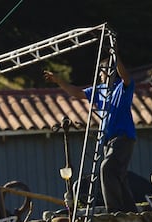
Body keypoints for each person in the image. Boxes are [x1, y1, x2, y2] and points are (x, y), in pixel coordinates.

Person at [44, 51, 138, 213]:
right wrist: (59, 81)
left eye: (103, 72)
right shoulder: (99, 90)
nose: (102, 76)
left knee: (106, 168)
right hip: (109, 140)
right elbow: (76, 92)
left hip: (123, 137)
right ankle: (130, 210)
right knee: (118, 175)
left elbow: (126, 77)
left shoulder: (121, 88)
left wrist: (116, 57)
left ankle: (114, 210)